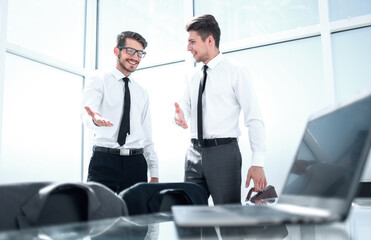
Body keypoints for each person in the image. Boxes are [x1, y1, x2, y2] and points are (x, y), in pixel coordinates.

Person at [174, 14, 267, 204]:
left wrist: (258, 162)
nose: (188, 48)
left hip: (223, 153)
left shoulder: (236, 71)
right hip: (193, 153)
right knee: (191, 218)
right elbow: (184, 103)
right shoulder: (192, 75)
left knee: (229, 221)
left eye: (192, 42)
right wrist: (180, 113)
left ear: (210, 40)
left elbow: (254, 118)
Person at [82, 31, 159, 194]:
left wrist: (154, 172)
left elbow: (147, 136)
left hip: (136, 164)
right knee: (101, 215)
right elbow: (87, 115)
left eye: (140, 53)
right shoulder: (98, 79)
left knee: (136, 218)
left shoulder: (142, 92)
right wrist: (95, 119)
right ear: (117, 51)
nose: (135, 57)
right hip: (104, 162)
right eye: (130, 51)